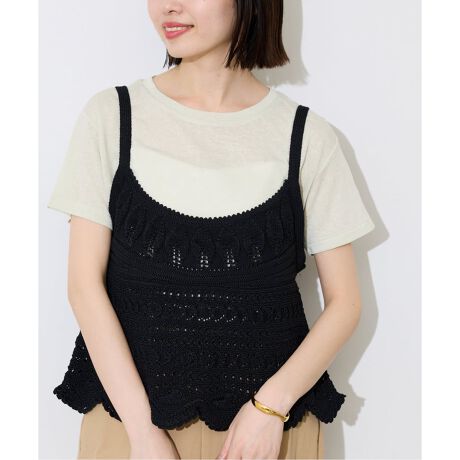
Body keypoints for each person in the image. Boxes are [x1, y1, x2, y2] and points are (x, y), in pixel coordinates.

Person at [47, 1, 375, 459]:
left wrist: (269, 408)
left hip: (266, 435)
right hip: (129, 427)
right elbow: (84, 286)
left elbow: (346, 304)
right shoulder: (111, 116)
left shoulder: (307, 137)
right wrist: (142, 435)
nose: (169, 6)